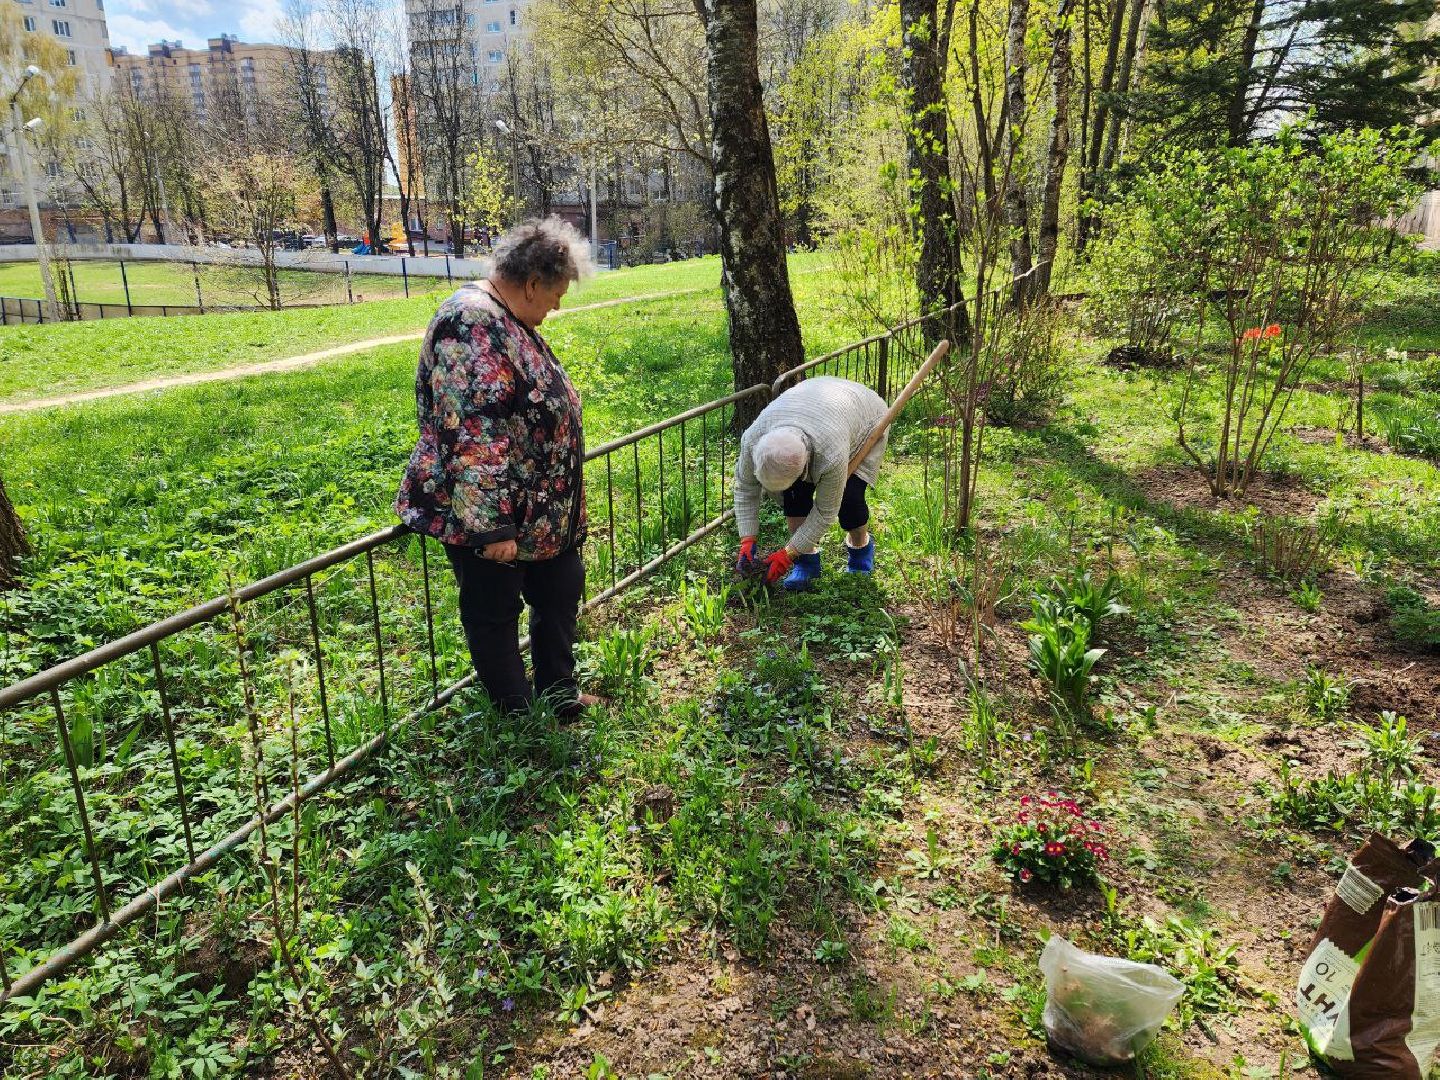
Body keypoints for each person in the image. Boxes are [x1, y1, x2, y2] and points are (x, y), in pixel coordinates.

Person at [395, 218, 597, 717]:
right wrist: (490, 527)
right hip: (492, 515)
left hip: (539, 513)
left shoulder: (509, 319)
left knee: (560, 587)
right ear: (532, 283)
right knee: (494, 609)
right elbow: (472, 431)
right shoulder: (468, 322)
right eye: (556, 293)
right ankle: (516, 714)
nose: (558, 305)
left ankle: (558, 693)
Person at [733, 376, 889, 591]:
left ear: (804, 466)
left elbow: (825, 512)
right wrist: (747, 539)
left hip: (865, 419)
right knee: (794, 496)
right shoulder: (753, 440)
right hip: (814, 407)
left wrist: (787, 554)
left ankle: (861, 550)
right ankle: (806, 562)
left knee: (849, 499)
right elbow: (745, 488)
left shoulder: (830, 453)